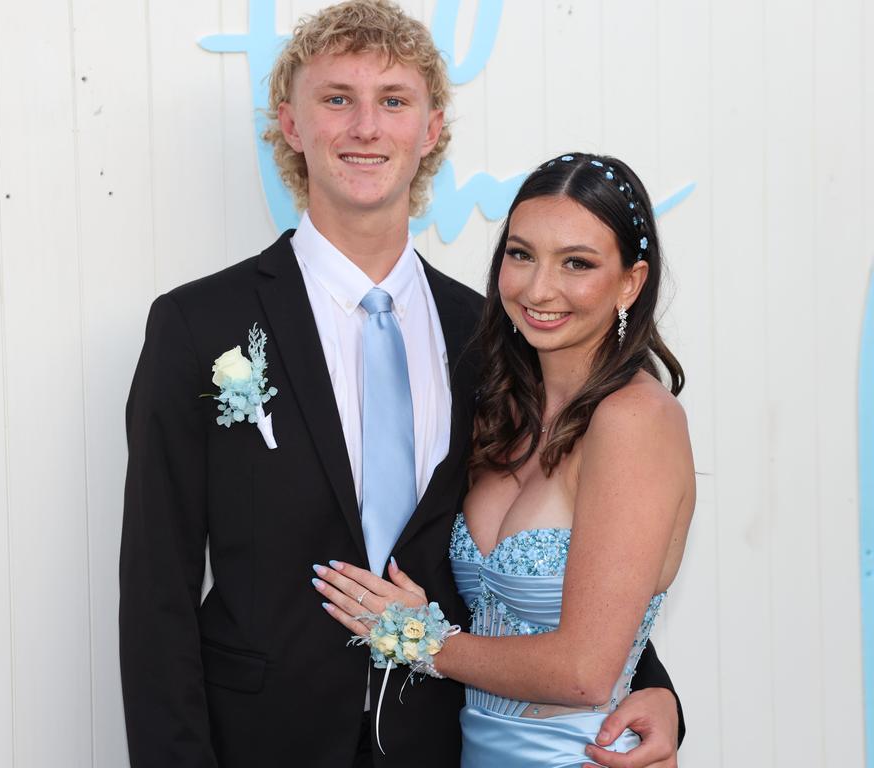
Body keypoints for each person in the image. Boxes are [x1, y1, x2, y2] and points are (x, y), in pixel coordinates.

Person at [119, 2, 683, 765]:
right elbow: (157, 587)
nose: (365, 127)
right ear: (290, 124)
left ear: (432, 129)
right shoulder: (196, 325)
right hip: (259, 740)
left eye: (393, 101)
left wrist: (652, 689)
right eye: (336, 99)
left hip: (443, 742)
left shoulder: (492, 333)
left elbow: (576, 537)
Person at [314, 151, 695, 767]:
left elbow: (583, 672)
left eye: (577, 263)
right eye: (521, 254)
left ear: (631, 281)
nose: (538, 288)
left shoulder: (635, 421)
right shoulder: (503, 407)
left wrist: (413, 638)